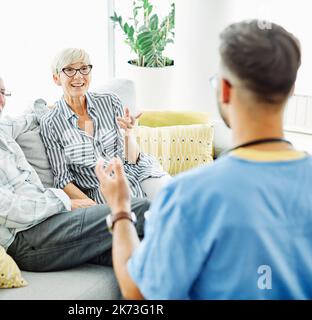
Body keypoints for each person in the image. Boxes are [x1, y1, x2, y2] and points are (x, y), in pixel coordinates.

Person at [95, 20, 312, 299]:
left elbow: (137, 292)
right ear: (291, 89)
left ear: (223, 89)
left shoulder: (189, 195)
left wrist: (121, 210)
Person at [0, 65, 150, 272]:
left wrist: (56, 111)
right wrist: (67, 202)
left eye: (2, 92)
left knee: (141, 250)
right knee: (140, 210)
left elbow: (31, 116)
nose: (0, 100)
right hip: (27, 238)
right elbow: (12, 211)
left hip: (50, 222)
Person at [36, 48, 170, 204]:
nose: (79, 76)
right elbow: (63, 179)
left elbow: (132, 160)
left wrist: (128, 133)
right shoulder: (51, 122)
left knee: (178, 200)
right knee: (136, 216)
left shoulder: (110, 101)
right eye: (70, 70)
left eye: (84, 69)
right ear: (56, 78)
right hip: (102, 189)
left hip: (141, 174)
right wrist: (92, 208)